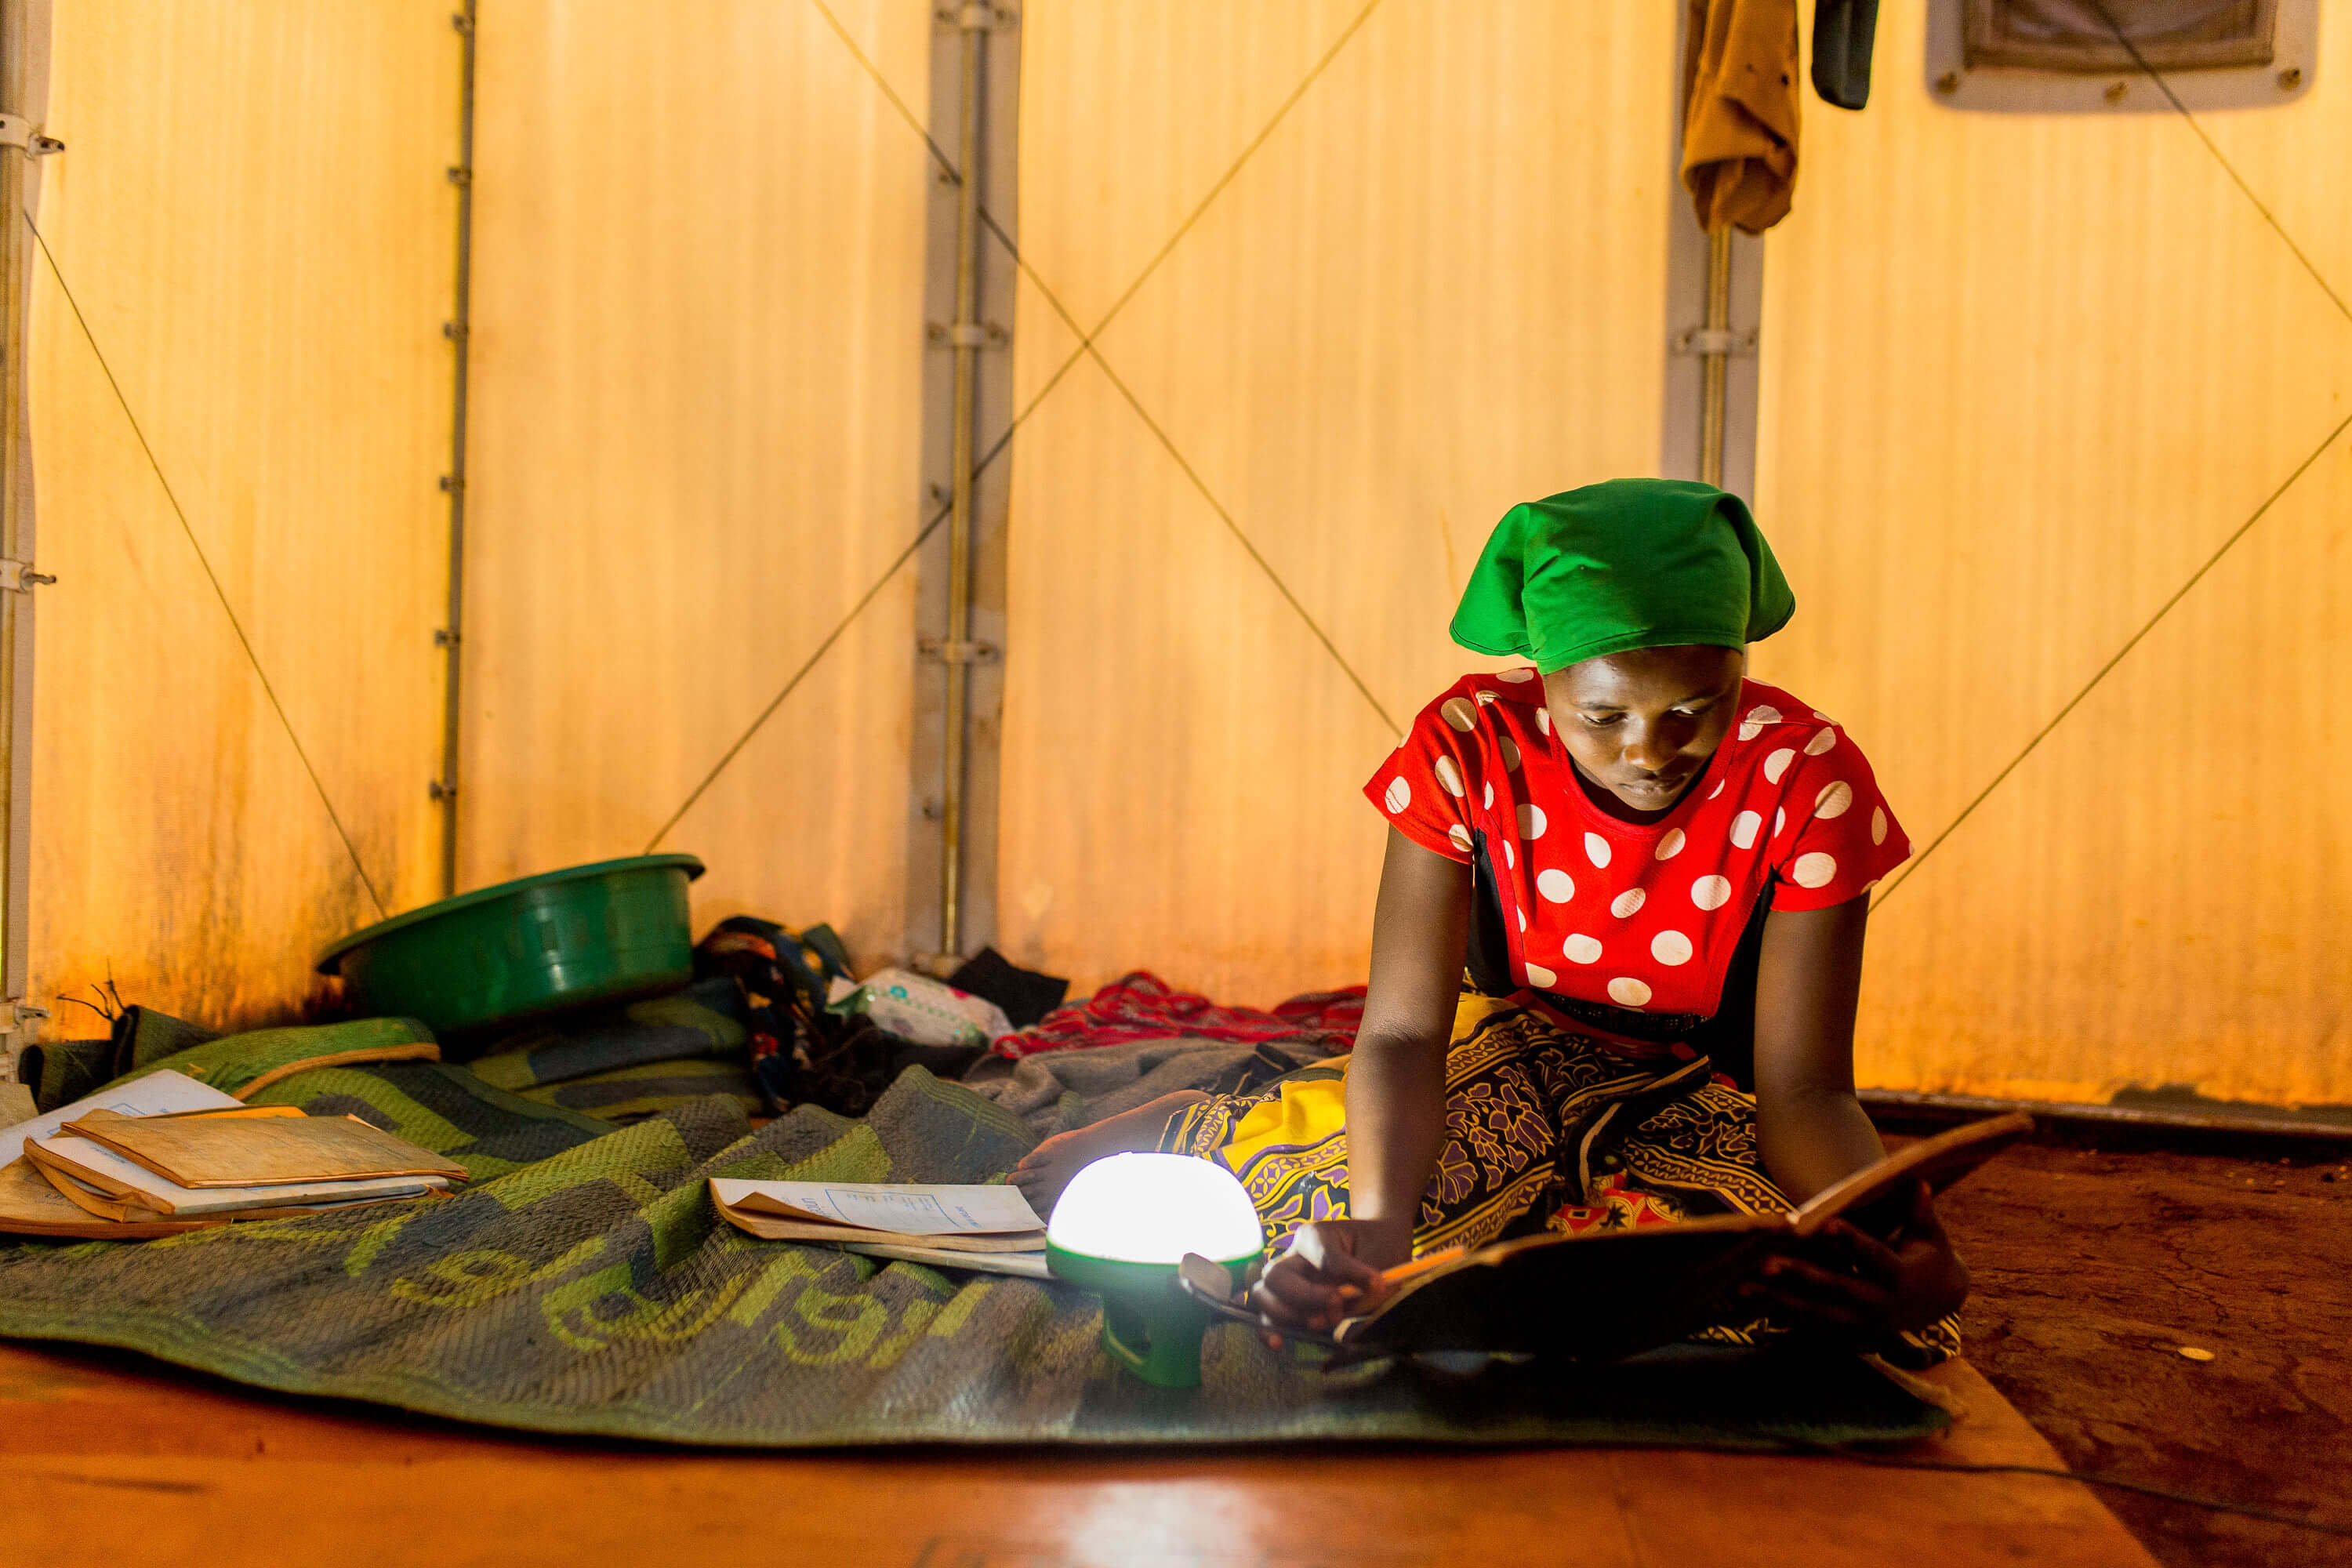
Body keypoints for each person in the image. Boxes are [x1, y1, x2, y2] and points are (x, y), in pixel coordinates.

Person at [1012, 478, 1967, 1359]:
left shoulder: (1808, 779)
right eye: (1603, 715)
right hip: (1494, 1053)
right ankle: (1202, 1122)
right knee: (1321, 1213)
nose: (1650, 749)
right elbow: (1400, 1030)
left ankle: (1291, 1116)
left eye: (1696, 707)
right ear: (1543, 677)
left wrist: (1889, 1247)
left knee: (1751, 1276)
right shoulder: (1465, 750)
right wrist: (1379, 1240)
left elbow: (1804, 1092)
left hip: (1691, 1088)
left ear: (1741, 671)